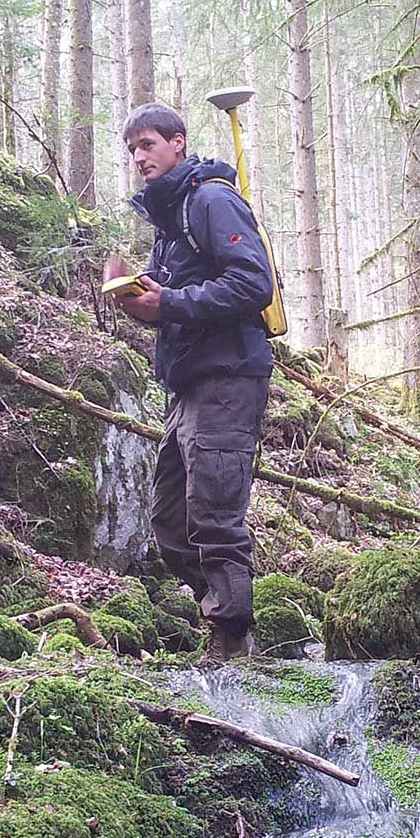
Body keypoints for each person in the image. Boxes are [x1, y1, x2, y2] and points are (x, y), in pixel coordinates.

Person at [103, 102, 275, 662]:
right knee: (170, 518)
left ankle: (233, 645)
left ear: (178, 142)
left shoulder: (211, 200)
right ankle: (222, 619)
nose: (138, 158)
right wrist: (142, 297)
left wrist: (169, 301)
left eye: (147, 144)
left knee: (214, 514)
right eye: (132, 150)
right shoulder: (170, 221)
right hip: (188, 385)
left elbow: (254, 284)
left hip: (227, 379)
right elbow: (183, 296)